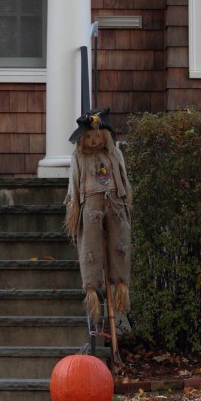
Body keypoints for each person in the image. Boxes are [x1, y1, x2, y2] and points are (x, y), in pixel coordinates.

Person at [64, 108, 132, 329]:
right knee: (90, 248)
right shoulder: (78, 157)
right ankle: (92, 288)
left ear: (106, 136)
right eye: (89, 137)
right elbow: (74, 185)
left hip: (115, 203)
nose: (94, 142)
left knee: (119, 243)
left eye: (98, 136)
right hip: (91, 204)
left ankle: (120, 283)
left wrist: (125, 196)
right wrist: (75, 207)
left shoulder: (114, 154)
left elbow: (123, 177)